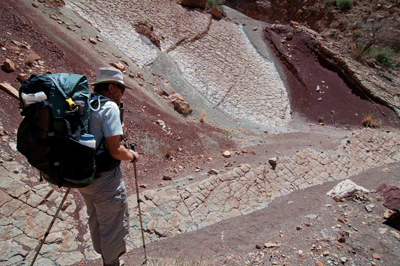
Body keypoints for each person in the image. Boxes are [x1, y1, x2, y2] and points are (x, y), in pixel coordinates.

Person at [78, 67, 139, 266]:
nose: (122, 94)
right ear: (112, 87)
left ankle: (104, 256)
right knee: (112, 224)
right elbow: (115, 151)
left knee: (95, 217)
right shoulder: (109, 108)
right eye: (121, 89)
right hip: (105, 179)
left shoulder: (86, 103)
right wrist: (132, 156)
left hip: (84, 177)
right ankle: (111, 262)